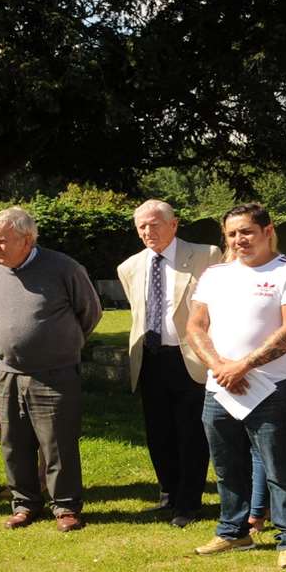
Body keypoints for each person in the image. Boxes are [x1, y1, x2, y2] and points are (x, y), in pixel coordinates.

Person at [184, 203, 286, 570]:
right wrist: (220, 367)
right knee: (227, 465)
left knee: (280, 467)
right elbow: (195, 325)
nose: (239, 240)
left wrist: (243, 365)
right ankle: (233, 530)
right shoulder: (215, 274)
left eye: (246, 232)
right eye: (232, 234)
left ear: (267, 231)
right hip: (220, 386)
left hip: (272, 387)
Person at [0, 207, 102, 531]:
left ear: (27, 239)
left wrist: (62, 344)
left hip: (55, 373)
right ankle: (24, 504)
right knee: (14, 443)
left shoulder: (63, 268)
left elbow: (90, 312)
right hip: (8, 372)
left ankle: (65, 507)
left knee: (58, 443)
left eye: (2, 240)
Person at [116, 200, 222, 527]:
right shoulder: (129, 266)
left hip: (189, 357)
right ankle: (168, 495)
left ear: (173, 224)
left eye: (155, 224)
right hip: (149, 358)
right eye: (142, 226)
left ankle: (189, 503)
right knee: (158, 431)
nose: (148, 231)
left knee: (191, 432)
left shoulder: (206, 255)